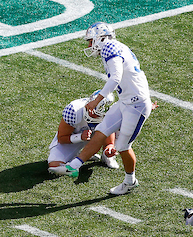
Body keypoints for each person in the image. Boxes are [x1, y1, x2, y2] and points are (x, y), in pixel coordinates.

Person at [62, 22, 153, 195]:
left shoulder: (109, 48)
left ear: (100, 37)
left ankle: (130, 181)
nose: (89, 46)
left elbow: (115, 78)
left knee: (124, 146)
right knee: (101, 131)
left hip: (136, 105)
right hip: (126, 101)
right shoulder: (114, 47)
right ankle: (74, 166)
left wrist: (96, 101)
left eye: (91, 41)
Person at [47, 92, 118, 174]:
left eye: (96, 113)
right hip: (73, 136)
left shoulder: (111, 115)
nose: (91, 113)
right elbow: (61, 138)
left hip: (97, 136)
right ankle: (81, 154)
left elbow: (109, 135)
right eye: (90, 108)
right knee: (54, 165)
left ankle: (106, 157)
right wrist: (80, 137)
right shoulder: (74, 110)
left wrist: (109, 147)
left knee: (124, 124)